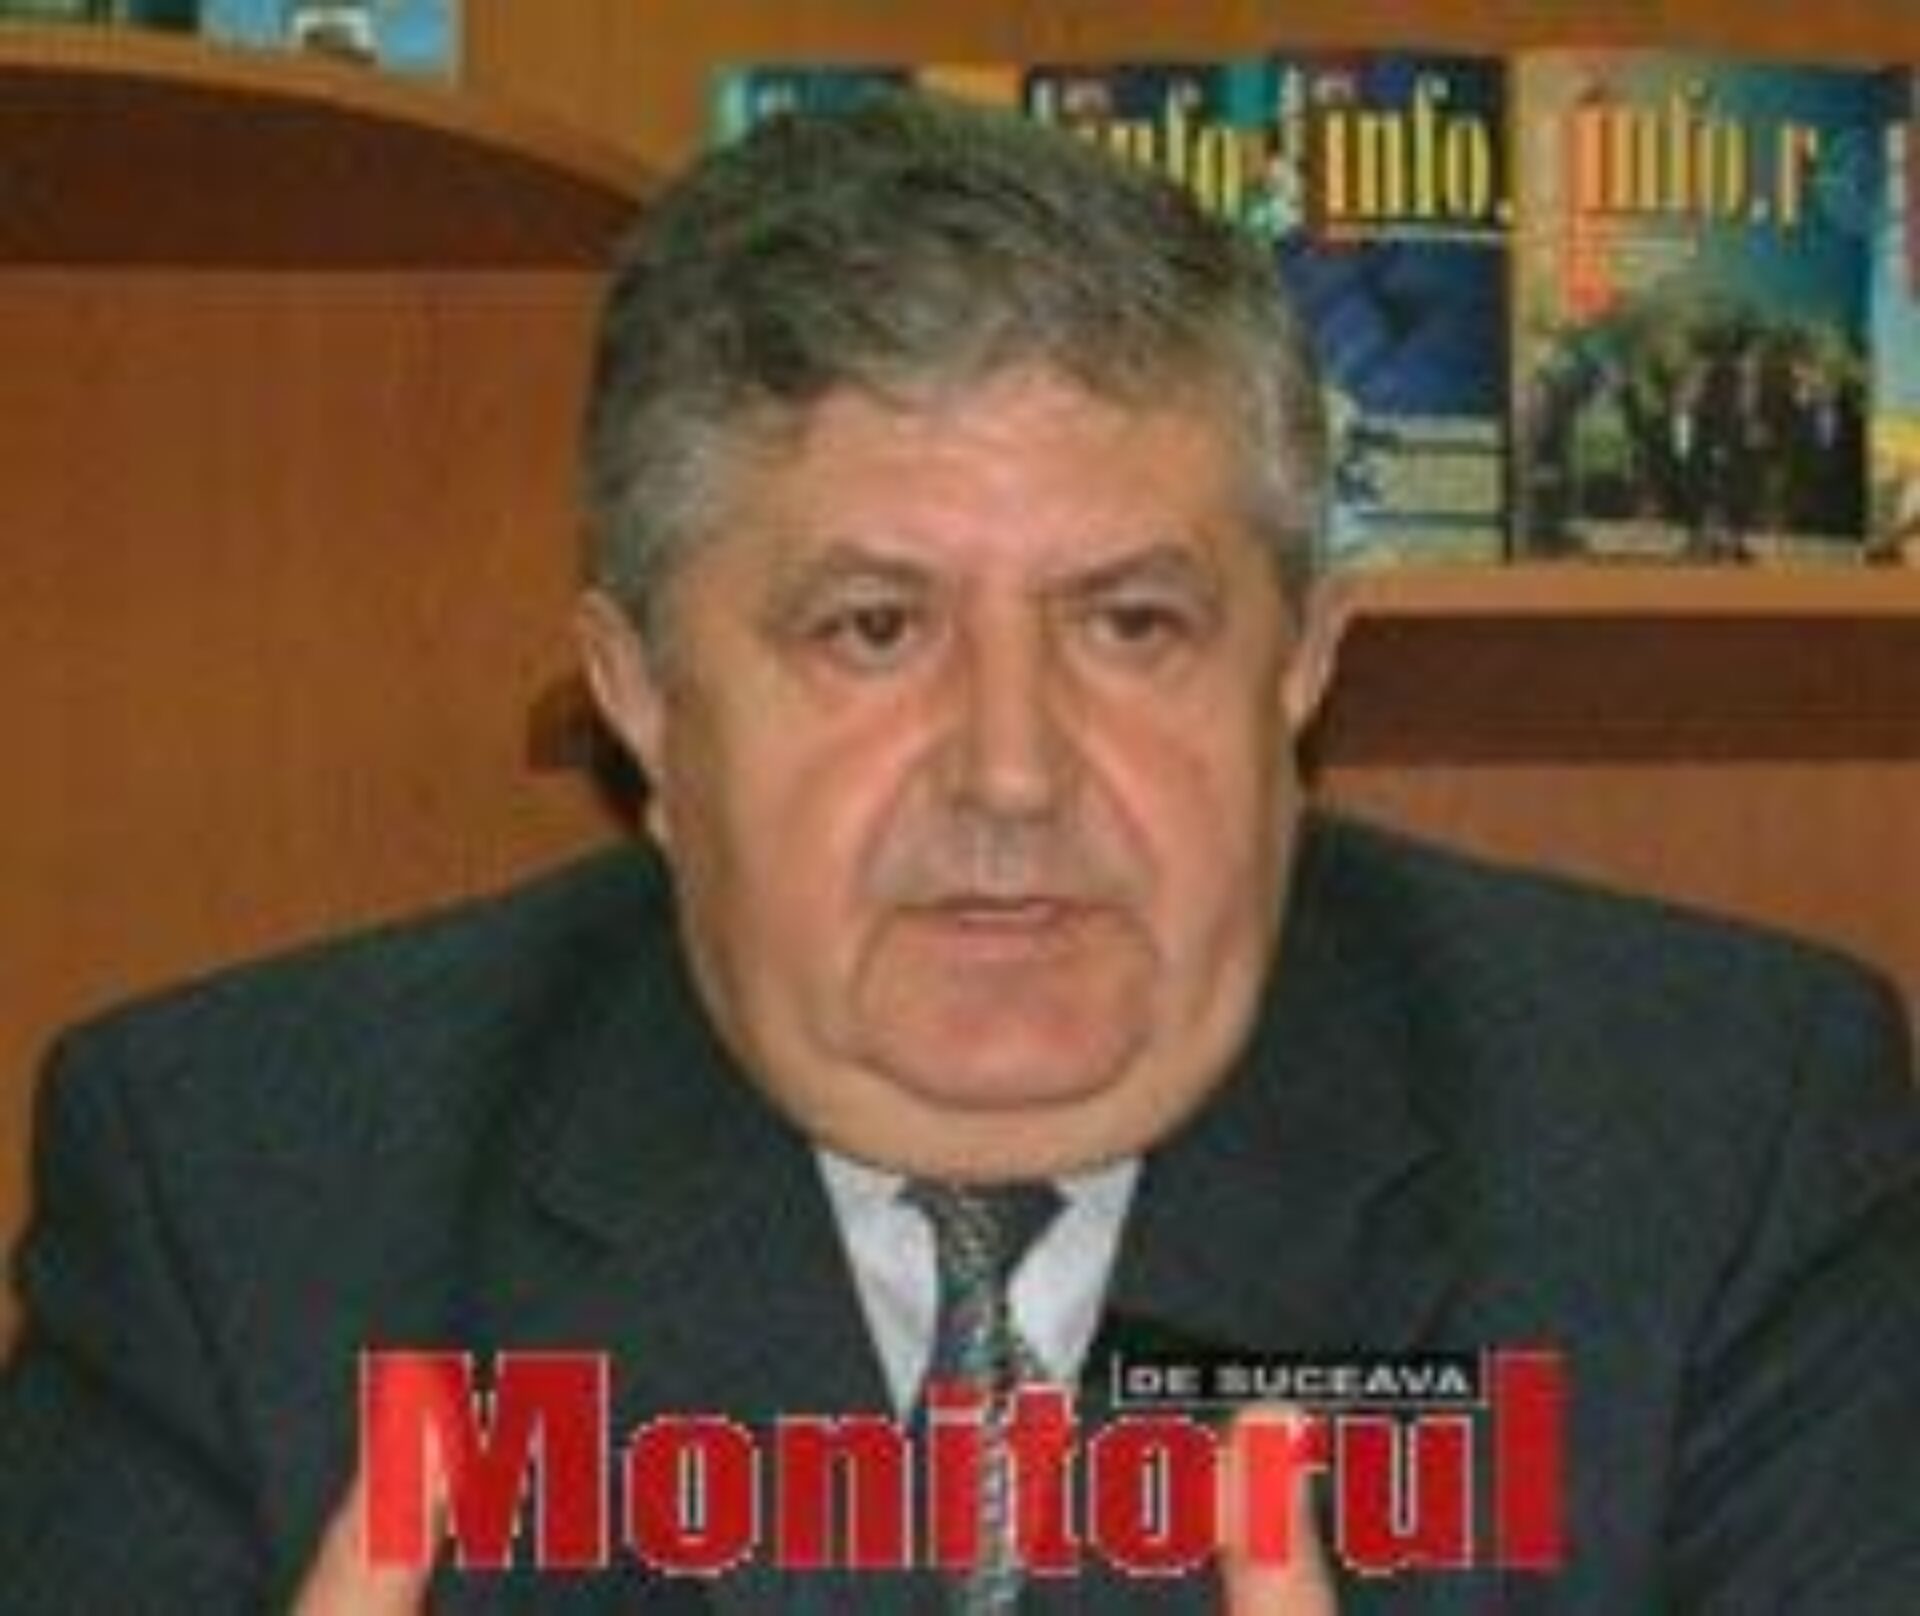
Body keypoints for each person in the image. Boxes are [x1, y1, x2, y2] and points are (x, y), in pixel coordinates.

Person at [2, 91, 1917, 1614]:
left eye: (1134, 624)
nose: (1012, 772)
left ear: (1303, 668)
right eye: (872, 629)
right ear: (642, 696)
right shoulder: (247, 1196)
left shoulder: (1709, 1149)